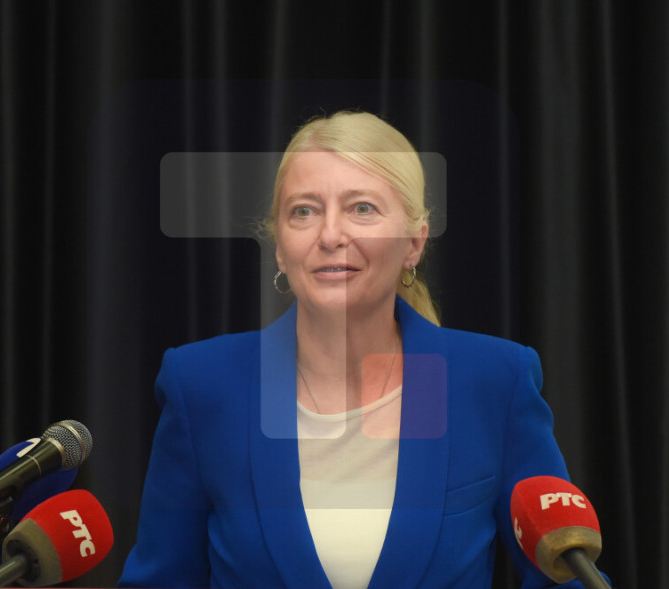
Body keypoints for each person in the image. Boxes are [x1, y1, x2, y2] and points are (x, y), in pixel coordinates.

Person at [120, 111, 592, 588]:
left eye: (362, 208)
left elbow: (565, 577)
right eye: (304, 211)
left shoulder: (494, 381)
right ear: (280, 246)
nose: (330, 235)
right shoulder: (202, 385)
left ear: (414, 242)